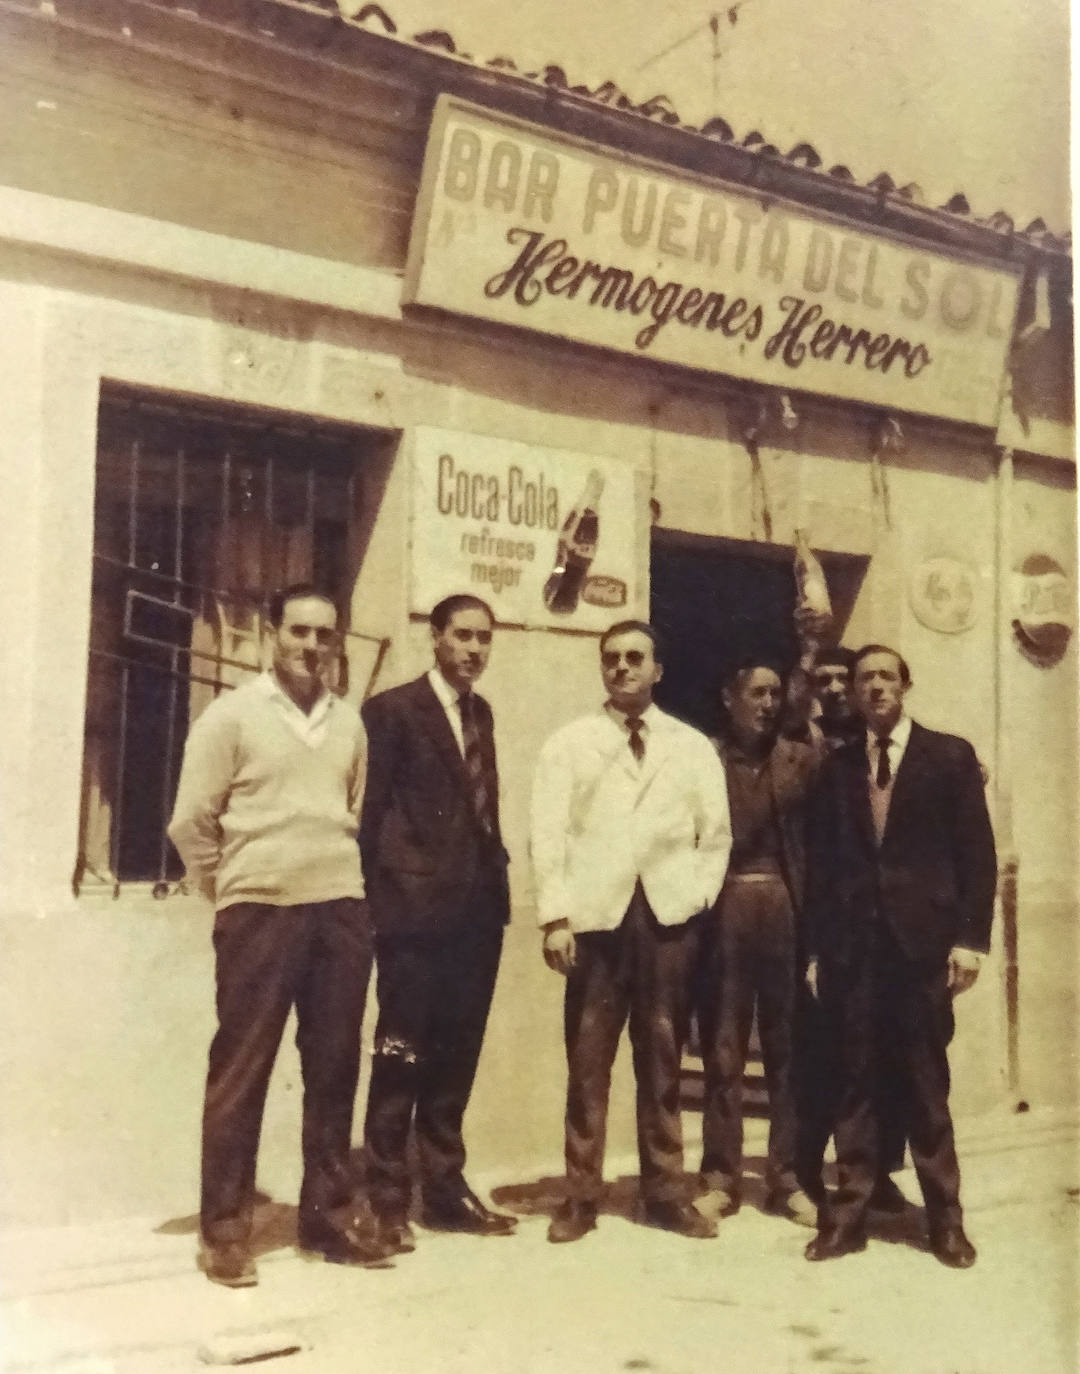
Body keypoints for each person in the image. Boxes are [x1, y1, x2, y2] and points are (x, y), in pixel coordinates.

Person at [169, 584, 389, 1287]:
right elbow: (190, 823)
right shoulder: (232, 716)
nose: (312, 647)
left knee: (333, 1070)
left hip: (340, 912)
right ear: (272, 635)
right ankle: (225, 1233)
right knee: (242, 1071)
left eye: (326, 635)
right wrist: (234, 885)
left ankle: (327, 1220)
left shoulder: (348, 723)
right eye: (299, 632)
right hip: (259, 913)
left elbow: (347, 812)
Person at [531, 620, 732, 1243]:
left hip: (667, 920)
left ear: (658, 670)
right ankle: (581, 1196)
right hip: (597, 922)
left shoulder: (691, 744)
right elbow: (548, 833)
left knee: (664, 1058)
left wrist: (695, 896)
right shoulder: (569, 743)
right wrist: (556, 918)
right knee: (588, 1063)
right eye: (612, 659)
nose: (622, 668)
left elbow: (715, 834)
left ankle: (665, 1193)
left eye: (635, 658)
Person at [804, 645, 997, 1268]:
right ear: (853, 693)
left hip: (922, 949)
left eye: (887, 676)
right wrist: (815, 949)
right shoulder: (834, 768)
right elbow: (822, 867)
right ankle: (850, 1215)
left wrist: (969, 941)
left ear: (905, 686)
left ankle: (945, 1221)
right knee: (854, 1079)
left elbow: (977, 856)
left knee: (924, 1083)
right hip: (854, 948)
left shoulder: (949, 756)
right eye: (866, 679)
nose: (876, 688)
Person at [360, 594, 516, 1249]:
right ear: (435, 637)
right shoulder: (392, 711)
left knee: (456, 1058)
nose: (474, 650)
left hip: (477, 915)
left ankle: (445, 1190)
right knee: (401, 1056)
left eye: (483, 639)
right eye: (462, 636)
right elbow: (369, 816)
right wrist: (387, 900)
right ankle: (387, 1200)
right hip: (414, 918)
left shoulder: (481, 712)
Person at [696, 658, 818, 1228]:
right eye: (756, 693)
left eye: (775, 694)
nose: (768, 704)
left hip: (785, 912)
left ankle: (786, 1177)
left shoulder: (802, 759)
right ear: (730, 697)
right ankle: (720, 1176)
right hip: (724, 910)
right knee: (722, 1049)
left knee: (787, 1049)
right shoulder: (703, 759)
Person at [795, 645, 909, 1214]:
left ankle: (882, 1171)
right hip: (831, 928)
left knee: (888, 1057)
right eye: (828, 680)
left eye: (848, 678)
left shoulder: (889, 743)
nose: (840, 689)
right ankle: (810, 1169)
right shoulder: (800, 743)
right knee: (826, 1058)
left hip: (891, 934)